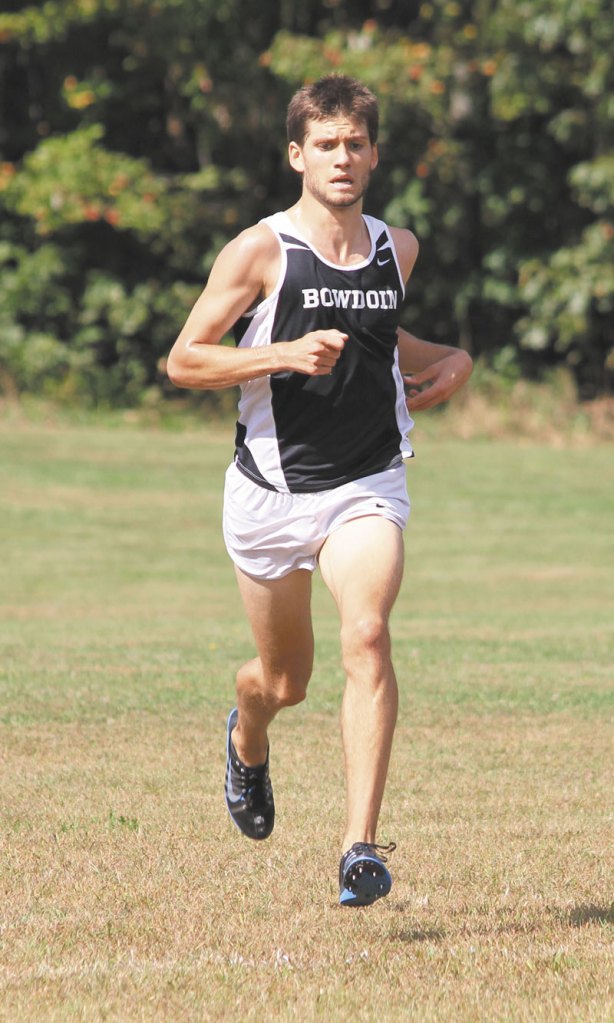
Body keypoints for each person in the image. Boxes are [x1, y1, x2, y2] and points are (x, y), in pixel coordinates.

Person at [167, 74, 472, 908]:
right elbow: (185, 359)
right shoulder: (260, 251)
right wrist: (279, 354)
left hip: (367, 480)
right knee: (283, 682)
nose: (342, 158)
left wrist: (450, 358)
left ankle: (359, 848)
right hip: (270, 492)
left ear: (374, 155)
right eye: (326, 144)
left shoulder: (396, 247)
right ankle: (247, 735)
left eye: (356, 144)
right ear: (297, 155)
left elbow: (382, 336)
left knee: (367, 635)